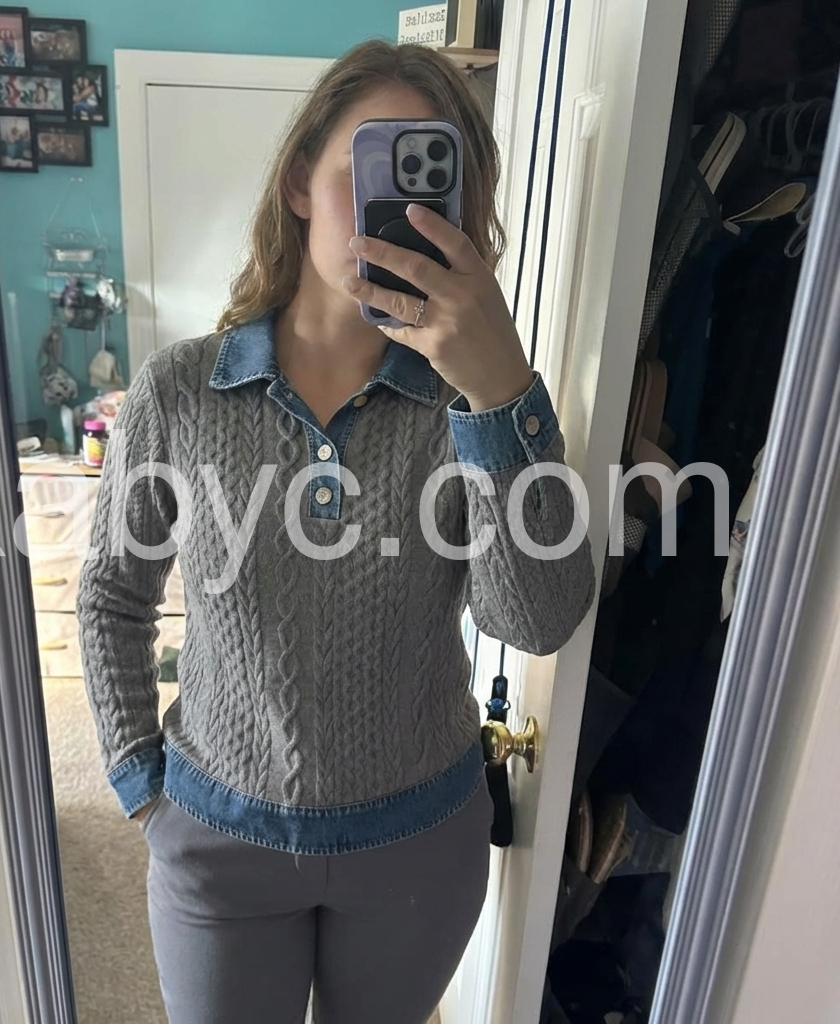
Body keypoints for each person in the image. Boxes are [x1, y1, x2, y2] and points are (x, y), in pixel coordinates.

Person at [77, 38, 596, 1024]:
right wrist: (140, 779)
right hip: (215, 840)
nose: (398, 207)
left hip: (418, 848)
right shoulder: (180, 391)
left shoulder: (472, 403)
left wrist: (500, 394)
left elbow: (535, 620)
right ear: (299, 184)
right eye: (372, 164)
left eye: (431, 180)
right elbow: (112, 593)